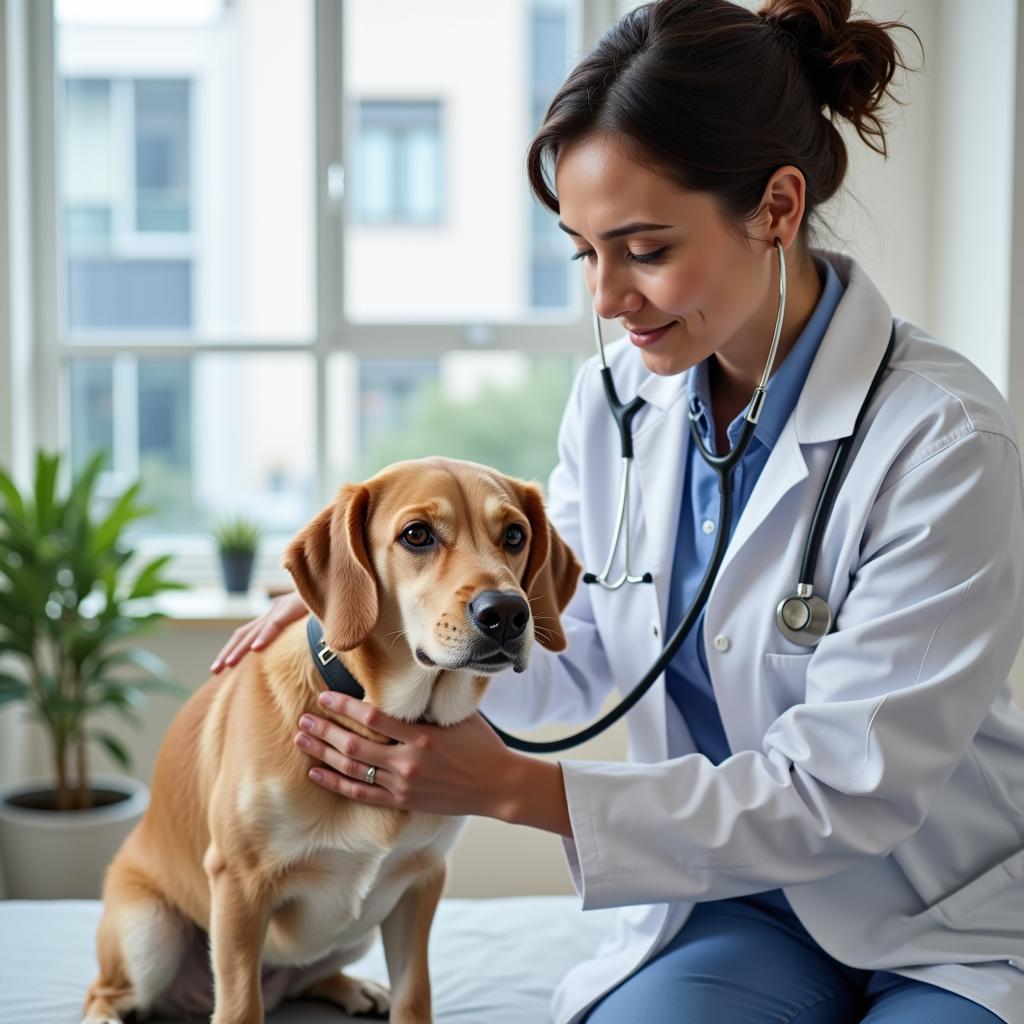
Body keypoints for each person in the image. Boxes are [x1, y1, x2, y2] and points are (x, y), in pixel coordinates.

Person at [211, 1, 1024, 1021]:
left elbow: (845, 790)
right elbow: (575, 650)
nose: (605, 297)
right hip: (728, 902)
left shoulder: (944, 440)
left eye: (641, 249)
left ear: (776, 208)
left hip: (936, 913)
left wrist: (506, 789)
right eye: (582, 251)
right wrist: (379, 625)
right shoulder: (618, 406)